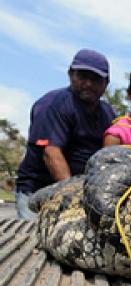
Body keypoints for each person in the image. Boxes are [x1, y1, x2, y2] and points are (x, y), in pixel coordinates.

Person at [15, 49, 116, 218]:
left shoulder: (108, 113)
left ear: (106, 83)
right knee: (32, 239)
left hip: (82, 192)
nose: (88, 84)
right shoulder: (52, 105)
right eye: (82, 76)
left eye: (95, 79)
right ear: (70, 74)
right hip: (38, 190)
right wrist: (74, 196)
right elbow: (51, 153)